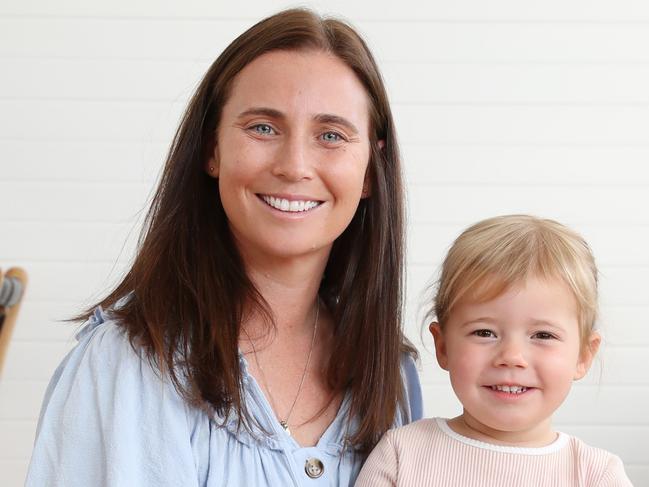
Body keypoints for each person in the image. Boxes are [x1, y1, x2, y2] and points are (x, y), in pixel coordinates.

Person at [25, 8, 422, 487]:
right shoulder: (130, 364)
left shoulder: (390, 373)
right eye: (263, 128)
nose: (295, 165)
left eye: (331, 135)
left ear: (369, 171)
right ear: (212, 149)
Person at [356, 215, 633, 486]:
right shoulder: (401, 454)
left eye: (543, 335)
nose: (512, 356)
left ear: (583, 355)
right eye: (484, 333)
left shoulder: (597, 475)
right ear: (443, 346)